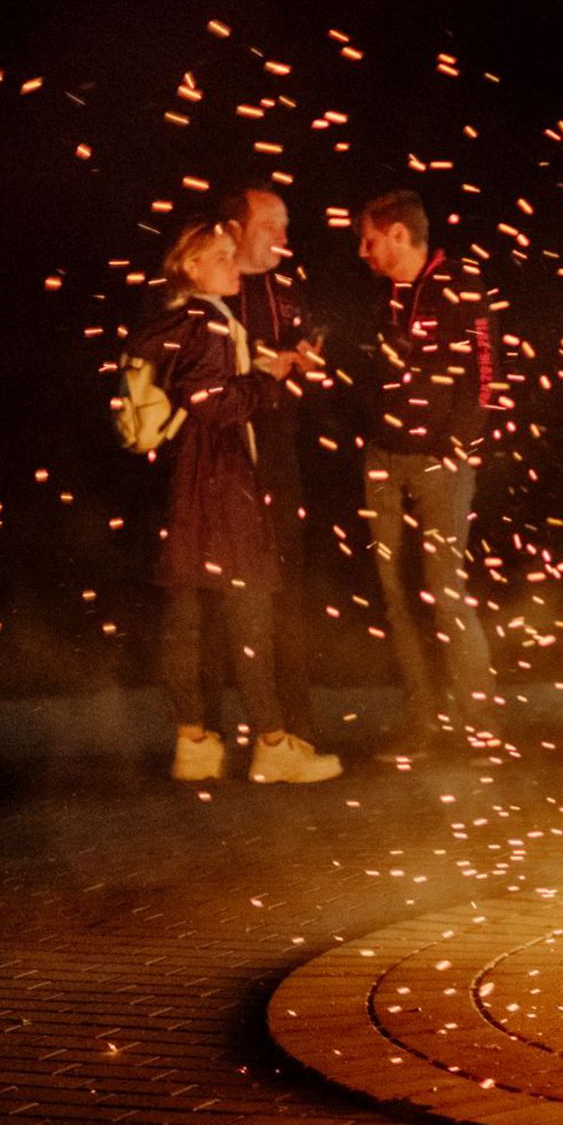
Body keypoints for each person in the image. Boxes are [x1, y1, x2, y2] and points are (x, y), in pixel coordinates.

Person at [128, 218, 342, 784]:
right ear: (192, 268)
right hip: (220, 485)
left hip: (185, 487)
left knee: (187, 617)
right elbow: (214, 405)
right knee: (250, 614)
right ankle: (272, 745)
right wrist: (268, 382)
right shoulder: (210, 325)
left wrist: (266, 366)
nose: (233, 267)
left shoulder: (178, 322)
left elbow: (202, 394)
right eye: (221, 257)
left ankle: (194, 743)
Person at [353, 190, 502, 748]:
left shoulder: (460, 283)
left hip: (441, 461)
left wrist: (457, 444)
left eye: (369, 240)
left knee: (444, 589)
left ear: (398, 235)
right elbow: (365, 369)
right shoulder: (379, 297)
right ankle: (423, 718)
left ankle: (478, 721)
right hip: (382, 459)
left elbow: (486, 375)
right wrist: (369, 424)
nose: (363, 252)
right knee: (393, 593)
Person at [222, 187, 323, 746]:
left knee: (287, 587)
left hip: (280, 454)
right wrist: (260, 370)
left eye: (286, 225)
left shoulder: (286, 284)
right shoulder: (210, 285)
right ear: (235, 230)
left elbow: (313, 338)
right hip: (224, 459)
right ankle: (222, 726)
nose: (284, 239)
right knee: (229, 595)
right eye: (271, 226)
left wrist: (305, 357)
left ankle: (297, 724)